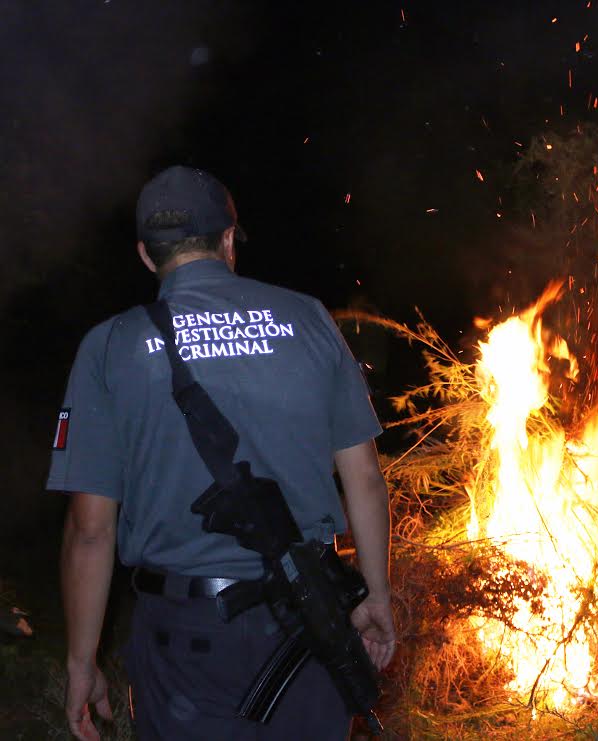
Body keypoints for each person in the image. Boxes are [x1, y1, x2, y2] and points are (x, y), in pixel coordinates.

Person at [47, 165, 396, 740]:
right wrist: (375, 596)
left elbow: (90, 530)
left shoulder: (109, 347)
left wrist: (81, 661)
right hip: (309, 620)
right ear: (229, 240)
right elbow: (364, 479)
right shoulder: (308, 317)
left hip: (184, 641)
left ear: (145, 255)